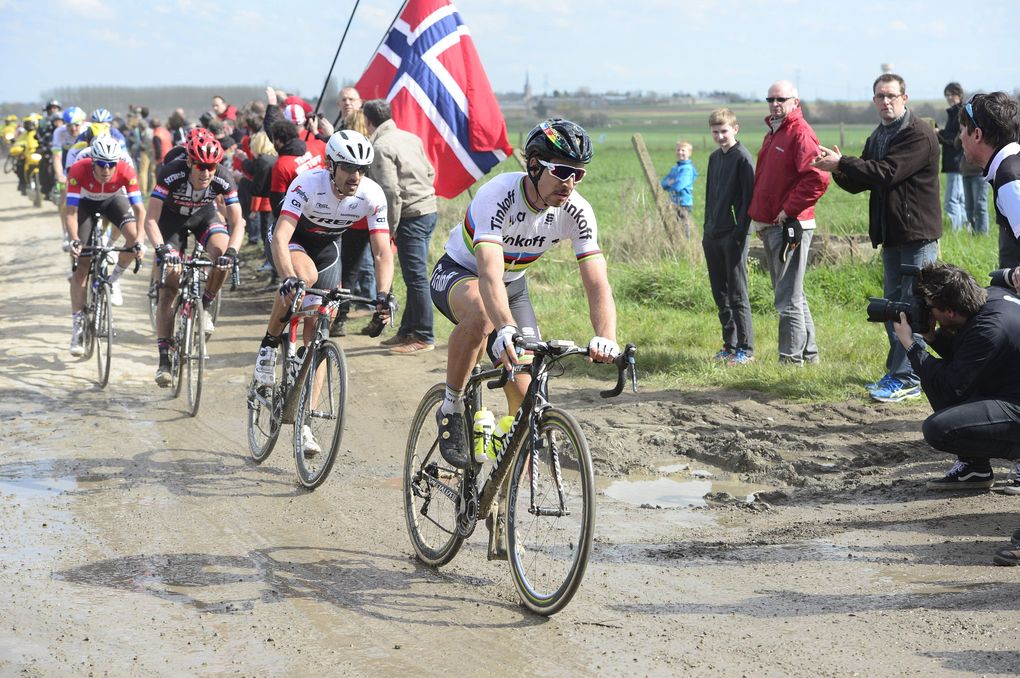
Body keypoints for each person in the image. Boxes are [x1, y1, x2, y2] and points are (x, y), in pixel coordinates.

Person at [429, 118, 620, 470]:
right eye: (562, 171)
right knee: (483, 318)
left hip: (513, 286)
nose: (570, 182)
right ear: (534, 165)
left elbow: (597, 282)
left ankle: (506, 483)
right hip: (461, 273)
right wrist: (505, 327)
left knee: (527, 393)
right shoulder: (498, 194)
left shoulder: (577, 210)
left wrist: (606, 337)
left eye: (579, 174)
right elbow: (489, 273)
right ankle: (451, 405)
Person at [250, 131, 394, 454]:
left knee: (319, 329)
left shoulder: (372, 194)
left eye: (362, 168)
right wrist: (288, 277)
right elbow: (281, 236)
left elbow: (382, 252)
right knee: (304, 279)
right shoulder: (307, 184)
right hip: (291, 239)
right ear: (331, 165)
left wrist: (384, 294)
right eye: (348, 167)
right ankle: (269, 346)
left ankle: (305, 422)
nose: (356, 176)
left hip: (327, 248)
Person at [813, 73, 941, 403]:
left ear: (904, 98)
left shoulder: (918, 134)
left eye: (891, 96)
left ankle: (909, 377)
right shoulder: (879, 135)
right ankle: (898, 372)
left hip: (917, 234)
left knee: (913, 308)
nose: (885, 101)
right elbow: (862, 180)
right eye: (880, 96)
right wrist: (838, 169)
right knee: (891, 308)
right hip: (892, 234)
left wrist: (844, 162)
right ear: (874, 100)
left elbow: (887, 173)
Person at [889, 263, 1020, 494]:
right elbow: (965, 360)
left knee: (939, 429)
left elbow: (949, 387)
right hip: (1010, 390)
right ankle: (974, 467)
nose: (928, 312)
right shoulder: (992, 297)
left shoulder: (988, 330)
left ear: (949, 311)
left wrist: (910, 345)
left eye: (930, 307)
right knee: (942, 378)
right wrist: (930, 336)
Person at [144, 132, 246, 386]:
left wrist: (232, 252)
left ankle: (206, 304)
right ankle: (164, 359)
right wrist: (160, 249)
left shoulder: (223, 177)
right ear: (190, 162)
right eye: (201, 166)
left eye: (211, 166)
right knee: (170, 285)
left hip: (203, 216)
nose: (206, 172)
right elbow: (151, 219)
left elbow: (238, 222)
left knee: (222, 254)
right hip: (171, 221)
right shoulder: (171, 173)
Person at [748, 80, 830, 367]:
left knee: (787, 298)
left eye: (780, 99)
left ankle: (790, 361)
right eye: (770, 99)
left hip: (790, 226)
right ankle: (808, 355)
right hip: (773, 224)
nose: (774, 104)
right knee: (794, 294)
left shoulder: (799, 133)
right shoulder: (775, 132)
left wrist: (788, 210)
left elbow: (818, 178)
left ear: (795, 101)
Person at [362, 99, 438, 354]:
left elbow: (390, 192)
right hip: (428, 209)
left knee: (416, 278)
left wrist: (389, 227)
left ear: (367, 121)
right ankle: (407, 331)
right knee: (413, 276)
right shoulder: (410, 138)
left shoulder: (380, 146)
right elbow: (430, 172)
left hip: (409, 216)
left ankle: (424, 336)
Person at [64, 136, 146, 354]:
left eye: (111, 165)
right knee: (82, 264)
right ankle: (78, 325)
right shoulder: (79, 168)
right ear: (93, 162)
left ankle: (114, 279)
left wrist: (140, 241)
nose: (106, 169)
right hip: (85, 204)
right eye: (101, 164)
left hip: (113, 200)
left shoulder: (126, 169)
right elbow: (70, 212)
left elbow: (140, 211)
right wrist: (74, 239)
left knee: (132, 237)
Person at [703, 108, 756, 365]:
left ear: (735, 129)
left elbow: (749, 199)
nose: (720, 136)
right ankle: (730, 344)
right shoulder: (714, 158)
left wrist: (739, 232)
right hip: (712, 234)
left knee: (737, 293)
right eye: (715, 132)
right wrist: (707, 228)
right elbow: (709, 197)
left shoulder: (743, 158)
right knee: (720, 293)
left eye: (724, 131)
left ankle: (746, 349)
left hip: (733, 235)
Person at [956, 92, 1020, 270]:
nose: (960, 137)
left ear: (977, 134)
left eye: (962, 130)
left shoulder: (1009, 177)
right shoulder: (1011, 163)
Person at [936, 83, 966, 230]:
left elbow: (957, 139)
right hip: (958, 162)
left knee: (952, 200)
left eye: (952, 94)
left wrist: (939, 133)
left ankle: (956, 230)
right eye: (947, 95)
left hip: (956, 162)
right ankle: (965, 228)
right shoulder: (955, 113)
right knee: (960, 199)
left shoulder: (959, 113)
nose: (949, 97)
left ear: (960, 95)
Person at [660, 140, 697, 237]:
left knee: (683, 226)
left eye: (683, 150)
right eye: (678, 150)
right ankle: (677, 243)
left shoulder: (687, 169)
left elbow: (679, 186)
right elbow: (662, 184)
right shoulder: (675, 168)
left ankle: (686, 243)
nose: (680, 152)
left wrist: (670, 184)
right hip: (673, 202)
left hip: (683, 203)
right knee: (674, 226)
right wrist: (668, 183)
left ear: (689, 153)